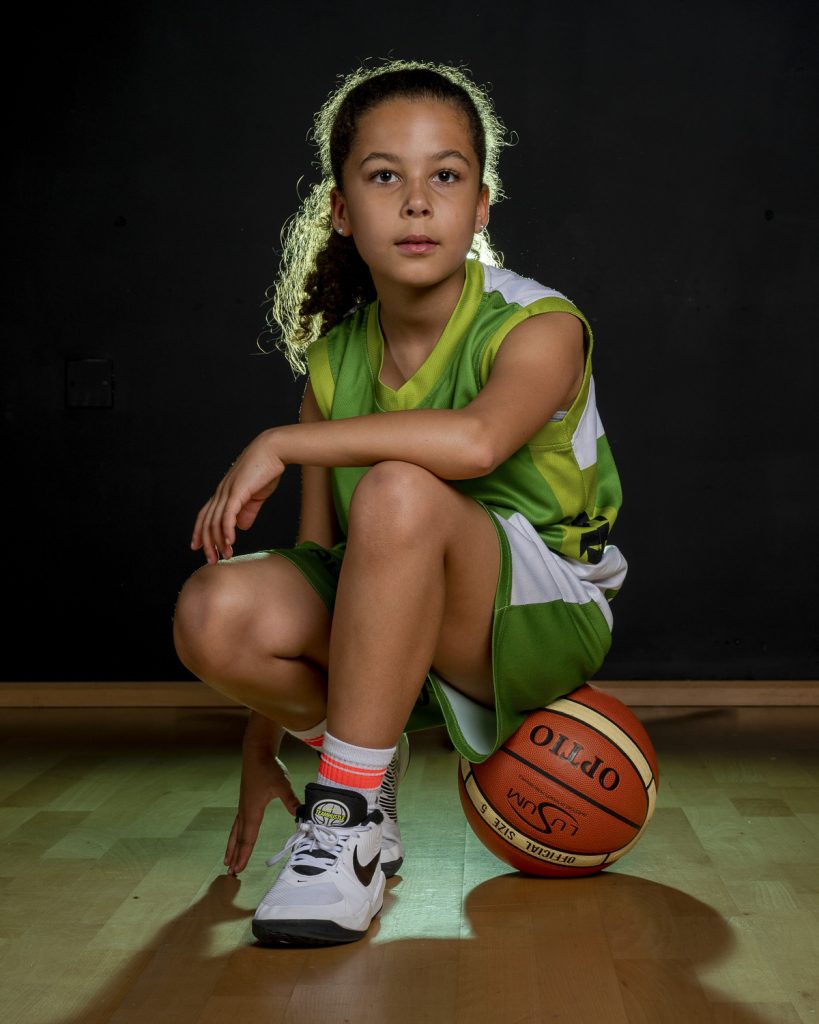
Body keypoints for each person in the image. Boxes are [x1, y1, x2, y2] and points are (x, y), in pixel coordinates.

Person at [172, 58, 627, 947]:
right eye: (385, 176)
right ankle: (363, 785)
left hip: (542, 612)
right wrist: (259, 752)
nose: (416, 202)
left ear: (481, 205)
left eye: (445, 176)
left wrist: (279, 440)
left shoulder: (540, 325)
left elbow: (473, 445)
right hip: (395, 618)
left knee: (398, 485)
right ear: (341, 210)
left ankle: (344, 826)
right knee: (213, 609)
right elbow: (319, 564)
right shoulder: (336, 359)